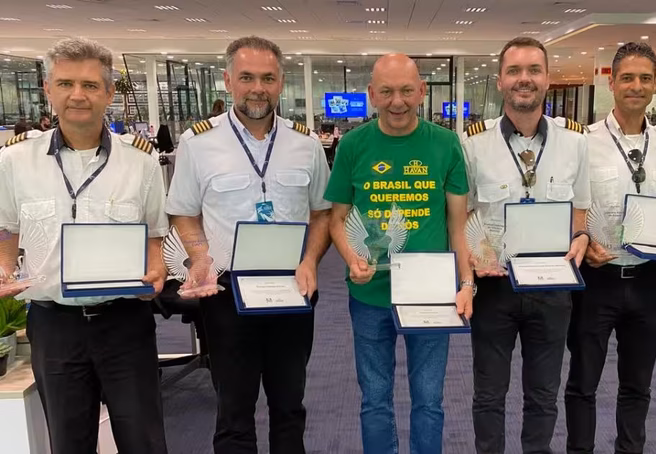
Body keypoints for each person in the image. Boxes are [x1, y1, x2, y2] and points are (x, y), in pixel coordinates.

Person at [0, 37, 168, 454]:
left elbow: (154, 234)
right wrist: (3, 268)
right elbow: (6, 230)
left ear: (109, 93)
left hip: (125, 322)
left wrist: (157, 268)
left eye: (91, 85)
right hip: (54, 325)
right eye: (66, 83)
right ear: (48, 89)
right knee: (69, 441)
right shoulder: (15, 161)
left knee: (143, 440)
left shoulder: (141, 162)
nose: (78, 95)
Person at [165, 36, 332, 453]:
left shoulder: (306, 144)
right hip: (227, 293)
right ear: (227, 81)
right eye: (247, 77)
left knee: (289, 407)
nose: (258, 88)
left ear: (281, 82)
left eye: (268, 78)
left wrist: (311, 261)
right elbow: (183, 211)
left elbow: (322, 213)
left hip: (292, 288)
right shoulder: (197, 143)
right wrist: (200, 258)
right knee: (234, 412)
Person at [325, 53, 473, 454]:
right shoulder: (352, 145)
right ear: (372, 94)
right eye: (387, 91)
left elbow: (457, 227)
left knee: (429, 401)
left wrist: (467, 283)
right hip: (370, 295)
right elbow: (336, 219)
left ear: (422, 91)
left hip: (430, 295)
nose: (397, 101)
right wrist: (351, 258)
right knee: (375, 400)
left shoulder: (446, 144)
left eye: (407, 90)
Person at [461, 36, 591, 454]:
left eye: (534, 70)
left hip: (552, 288)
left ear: (548, 78)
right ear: (500, 80)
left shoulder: (575, 142)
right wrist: (478, 253)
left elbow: (580, 210)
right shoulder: (473, 143)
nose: (524, 79)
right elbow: (463, 213)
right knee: (488, 394)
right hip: (494, 285)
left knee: (543, 395)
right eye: (514, 70)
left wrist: (581, 237)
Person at [564, 42, 656, 454]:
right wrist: (579, 238)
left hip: (647, 281)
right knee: (583, 383)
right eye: (628, 78)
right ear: (612, 82)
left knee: (638, 385)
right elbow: (568, 205)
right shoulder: (583, 141)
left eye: (645, 78)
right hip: (596, 280)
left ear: (655, 83)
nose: (637, 86)